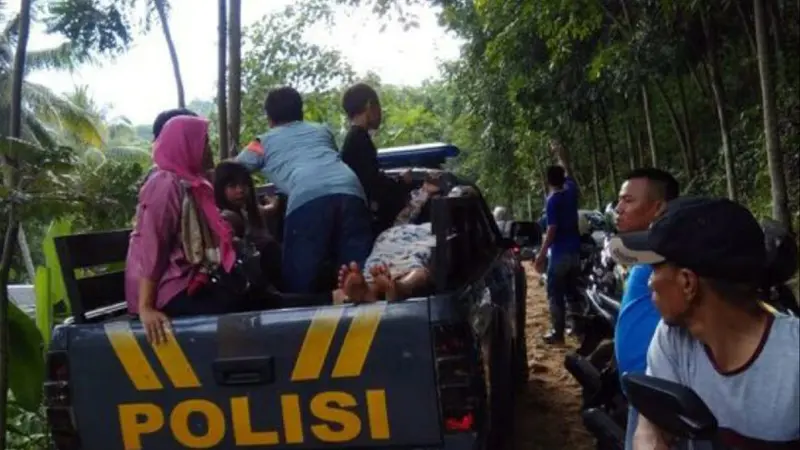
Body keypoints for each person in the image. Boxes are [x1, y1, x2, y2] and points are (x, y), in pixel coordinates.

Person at [608, 197, 800, 449]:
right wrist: (649, 437)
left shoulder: (793, 363)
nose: (649, 282)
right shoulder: (672, 338)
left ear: (687, 282)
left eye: (655, 269)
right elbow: (651, 422)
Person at [236, 86, 372, 294]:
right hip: (351, 190)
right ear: (300, 111)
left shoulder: (261, 142)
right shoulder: (321, 130)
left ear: (270, 119)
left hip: (307, 199)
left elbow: (233, 170)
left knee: (301, 279)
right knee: (355, 272)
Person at [125, 115, 237, 345]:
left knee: (245, 290)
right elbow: (152, 244)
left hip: (184, 279)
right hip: (166, 289)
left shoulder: (190, 183)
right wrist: (146, 307)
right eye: (203, 142)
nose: (208, 149)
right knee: (235, 306)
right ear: (186, 145)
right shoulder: (165, 183)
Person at [611, 168, 679, 450]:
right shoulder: (643, 251)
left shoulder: (673, 257)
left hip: (665, 402)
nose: (618, 208)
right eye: (619, 200)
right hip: (644, 396)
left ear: (658, 207)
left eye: (628, 200)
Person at [337, 177, 472, 303]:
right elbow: (406, 215)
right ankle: (372, 290)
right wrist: (424, 193)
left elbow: (463, 204)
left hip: (421, 240)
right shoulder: (411, 212)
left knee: (412, 263)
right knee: (380, 263)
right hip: (392, 238)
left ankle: (393, 287)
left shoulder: (447, 226)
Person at [340, 83, 413, 233]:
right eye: (379, 107)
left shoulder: (353, 138)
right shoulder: (359, 140)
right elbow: (372, 184)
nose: (381, 113)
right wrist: (400, 182)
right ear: (369, 106)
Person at [534, 140, 581, 344]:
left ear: (548, 181)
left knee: (555, 293)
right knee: (572, 292)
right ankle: (578, 328)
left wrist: (541, 254)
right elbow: (568, 171)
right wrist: (560, 154)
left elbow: (551, 229)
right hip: (575, 250)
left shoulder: (552, 200)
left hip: (560, 252)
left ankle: (557, 332)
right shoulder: (571, 190)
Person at [213, 161, 282, 288]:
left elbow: (264, 210)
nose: (240, 190)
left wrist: (273, 206)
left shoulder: (246, 212)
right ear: (220, 189)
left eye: (244, 185)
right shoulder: (225, 219)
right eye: (232, 186)